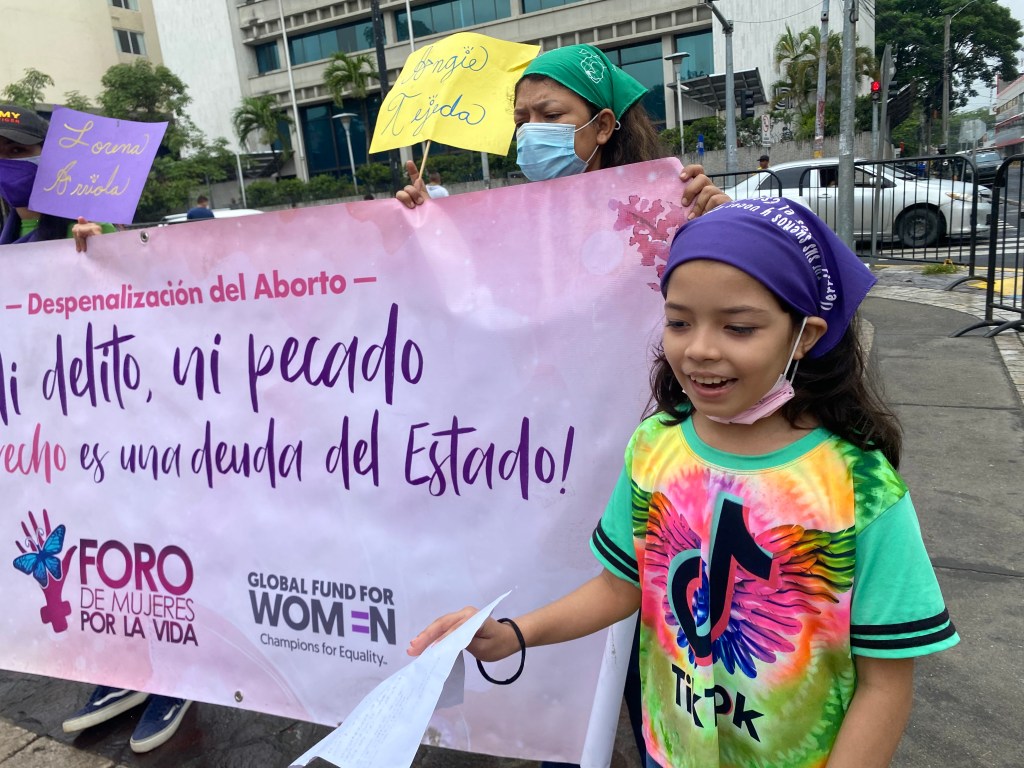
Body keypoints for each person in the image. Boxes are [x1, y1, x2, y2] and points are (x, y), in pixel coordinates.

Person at [409, 197, 960, 768]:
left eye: (738, 327)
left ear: (804, 335)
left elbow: (885, 684)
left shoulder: (861, 488)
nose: (699, 349)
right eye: (678, 322)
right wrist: (512, 635)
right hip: (668, 752)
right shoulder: (655, 445)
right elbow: (621, 586)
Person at [0, 104, 193, 755]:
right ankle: (120, 672)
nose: (5, 165)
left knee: (152, 553)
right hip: (53, 448)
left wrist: (103, 257)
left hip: (131, 442)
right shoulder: (11, 239)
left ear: (53, 157)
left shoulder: (101, 234)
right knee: (86, 559)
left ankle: (178, 674)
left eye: (15, 151)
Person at [397, 44, 728, 217]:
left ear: (602, 125)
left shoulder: (666, 207)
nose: (531, 131)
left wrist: (720, 221)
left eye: (551, 115)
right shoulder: (513, 218)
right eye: (521, 121)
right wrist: (429, 226)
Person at [0, 104, 110, 250]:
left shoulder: (90, 228)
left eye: (16, 150)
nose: (3, 162)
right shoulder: (6, 233)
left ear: (49, 154)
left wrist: (101, 248)